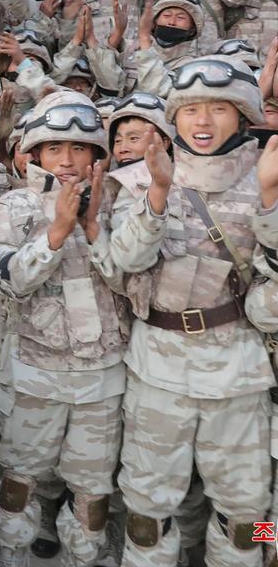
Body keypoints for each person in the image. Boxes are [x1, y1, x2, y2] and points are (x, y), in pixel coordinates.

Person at [108, 54, 278, 567]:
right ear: (173, 117)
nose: (203, 122)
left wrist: (270, 198)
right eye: (191, 110)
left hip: (240, 372)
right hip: (158, 368)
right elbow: (124, 262)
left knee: (250, 518)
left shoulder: (267, 172)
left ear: (244, 114)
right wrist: (159, 192)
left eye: (219, 109)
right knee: (145, 510)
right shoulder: (137, 179)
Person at [0, 90, 129, 567]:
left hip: (103, 377)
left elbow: (135, 278)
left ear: (96, 154)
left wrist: (92, 226)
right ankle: (11, 556)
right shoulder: (13, 206)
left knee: (93, 494)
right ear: (35, 154)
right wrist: (55, 234)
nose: (67, 160)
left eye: (79, 148)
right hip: (36, 375)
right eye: (54, 148)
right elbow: (8, 284)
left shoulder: (118, 204)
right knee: (19, 481)